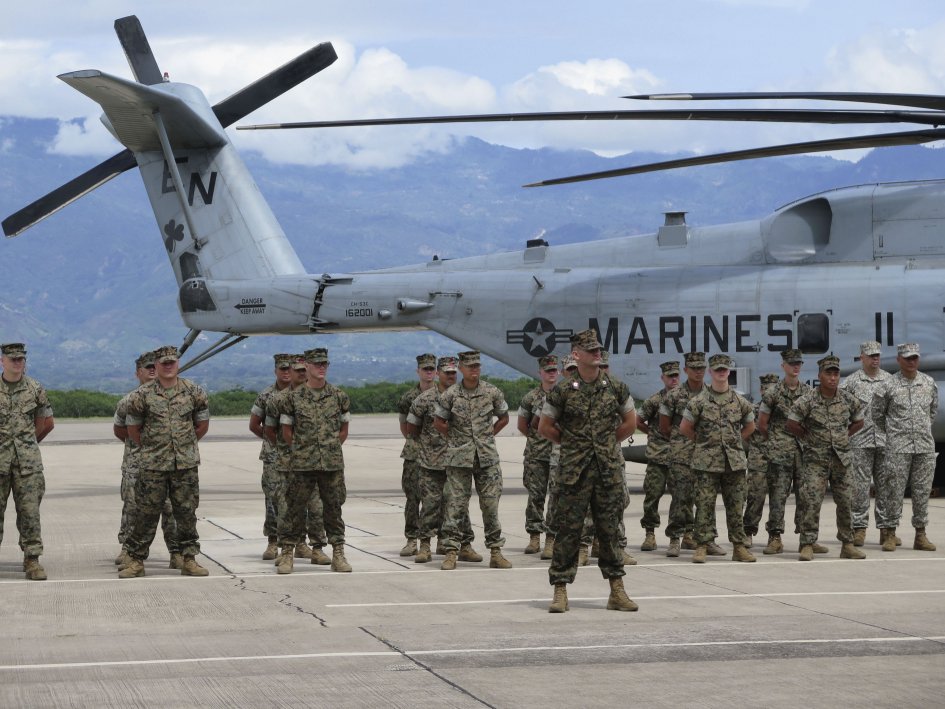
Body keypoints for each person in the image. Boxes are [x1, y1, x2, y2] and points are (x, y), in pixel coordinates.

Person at [539, 330, 638, 613]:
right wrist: (573, 445)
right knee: (568, 532)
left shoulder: (616, 387)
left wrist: (605, 444)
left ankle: (617, 591)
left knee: (609, 531)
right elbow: (545, 428)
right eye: (591, 350)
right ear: (576, 356)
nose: (597, 354)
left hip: (607, 471)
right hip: (573, 473)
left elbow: (630, 422)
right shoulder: (562, 390)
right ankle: (560, 591)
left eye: (598, 350)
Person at [120, 345, 210, 578]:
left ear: (177, 364)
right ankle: (137, 561)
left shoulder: (194, 392)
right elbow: (132, 429)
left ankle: (189, 559)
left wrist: (184, 446)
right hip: (153, 465)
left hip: (185, 465)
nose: (168, 366)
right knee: (145, 514)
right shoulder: (141, 396)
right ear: (157, 366)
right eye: (164, 363)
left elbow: (201, 425)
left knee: (187, 513)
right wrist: (153, 449)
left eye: (172, 362)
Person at [276, 347, 352, 573]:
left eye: (324, 364)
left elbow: (343, 430)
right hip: (302, 464)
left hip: (331, 464)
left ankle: (338, 553)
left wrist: (329, 448)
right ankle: (288, 553)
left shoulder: (339, 396)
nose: (321, 368)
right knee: (294, 509)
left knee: (333, 509)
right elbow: (286, 432)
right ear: (306, 366)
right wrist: (302, 449)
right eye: (317, 364)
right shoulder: (293, 398)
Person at [434, 350, 512, 570]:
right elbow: (439, 422)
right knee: (455, 506)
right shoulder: (451, 394)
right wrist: (456, 439)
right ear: (461, 368)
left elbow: (504, 417)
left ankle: (496, 552)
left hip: (487, 459)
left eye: (477, 366)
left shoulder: (491, 391)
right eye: (470, 366)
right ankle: (451, 552)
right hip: (459, 459)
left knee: (490, 506)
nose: (474, 370)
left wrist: (487, 436)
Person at [787, 355, 866, 561]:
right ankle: (807, 543)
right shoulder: (808, 400)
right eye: (828, 373)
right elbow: (791, 423)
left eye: (836, 374)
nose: (832, 378)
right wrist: (807, 436)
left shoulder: (847, 399)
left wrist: (844, 435)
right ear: (819, 375)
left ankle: (847, 544)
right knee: (811, 501)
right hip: (816, 460)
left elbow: (859, 421)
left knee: (846, 502)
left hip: (842, 460)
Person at [680, 354, 756, 564]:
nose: (721, 372)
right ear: (711, 372)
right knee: (704, 505)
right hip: (706, 462)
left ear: (728, 372)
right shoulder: (699, 401)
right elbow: (685, 428)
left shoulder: (740, 401)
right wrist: (702, 441)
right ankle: (702, 546)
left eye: (724, 369)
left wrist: (736, 442)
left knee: (735, 506)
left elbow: (750, 426)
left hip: (735, 462)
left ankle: (739, 547)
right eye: (717, 369)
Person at [406, 356, 477, 563]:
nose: (451, 376)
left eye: (454, 372)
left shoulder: (464, 397)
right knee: (430, 505)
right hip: (431, 463)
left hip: (457, 462)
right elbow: (412, 428)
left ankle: (465, 545)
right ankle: (425, 546)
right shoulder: (425, 399)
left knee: (459, 506)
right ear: (438, 374)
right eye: (447, 373)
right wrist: (428, 446)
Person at [113, 351, 180, 570]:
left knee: (171, 508)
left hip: (166, 463)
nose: (152, 370)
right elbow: (120, 430)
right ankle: (128, 549)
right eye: (147, 367)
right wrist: (140, 446)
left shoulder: (174, 396)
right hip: (136, 463)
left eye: (155, 366)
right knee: (133, 507)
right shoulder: (129, 401)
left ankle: (176, 552)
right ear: (138, 373)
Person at [265, 356, 330, 567]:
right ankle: (285, 549)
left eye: (304, 370)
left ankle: (316, 548)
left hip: (313, 463)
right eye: (297, 370)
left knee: (316, 507)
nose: (301, 374)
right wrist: (288, 450)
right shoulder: (278, 399)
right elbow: (268, 429)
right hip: (286, 463)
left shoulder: (324, 397)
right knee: (285, 507)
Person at [873, 343, 938, 553]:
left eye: (915, 358)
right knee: (894, 490)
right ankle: (890, 533)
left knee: (922, 491)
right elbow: (877, 415)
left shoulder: (928, 383)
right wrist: (895, 434)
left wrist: (920, 430)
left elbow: (932, 412)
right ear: (899, 359)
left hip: (924, 446)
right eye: (908, 358)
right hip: (898, 447)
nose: (912, 362)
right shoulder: (888, 385)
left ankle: (921, 534)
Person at [0, 342, 54, 581]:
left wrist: (27, 444)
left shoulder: (35, 389)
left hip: (28, 465)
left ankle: (32, 560)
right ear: (3, 361)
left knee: (30, 513)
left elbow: (45, 423)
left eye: (21, 359)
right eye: (12, 359)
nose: (17, 362)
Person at [659, 352, 722, 557]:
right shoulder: (674, 396)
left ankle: (707, 539)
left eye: (701, 368)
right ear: (685, 370)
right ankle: (675, 539)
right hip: (681, 455)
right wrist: (682, 441)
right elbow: (664, 426)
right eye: (694, 368)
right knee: (680, 497)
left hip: (706, 454)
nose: (698, 371)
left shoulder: (712, 394)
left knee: (706, 499)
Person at [758, 349, 813, 556]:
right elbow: (762, 424)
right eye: (791, 364)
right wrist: (774, 443)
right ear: (783, 366)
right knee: (778, 496)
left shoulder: (808, 393)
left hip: (803, 453)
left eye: (798, 363)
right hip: (780, 454)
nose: (795, 367)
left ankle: (807, 538)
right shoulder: (773, 393)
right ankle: (775, 537)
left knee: (805, 496)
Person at [840, 340, 893, 547]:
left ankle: (886, 531)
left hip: (885, 441)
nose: (875, 358)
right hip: (860, 442)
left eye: (877, 355)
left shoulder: (890, 381)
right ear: (861, 357)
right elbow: (842, 411)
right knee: (859, 488)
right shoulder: (851, 382)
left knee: (886, 487)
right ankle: (859, 529)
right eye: (871, 355)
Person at [249, 353, 294, 560]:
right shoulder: (266, 395)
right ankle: (273, 542)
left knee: (300, 500)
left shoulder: (301, 394)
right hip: (273, 457)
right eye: (282, 369)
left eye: (289, 369)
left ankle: (299, 542)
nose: (286, 372)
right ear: (275, 370)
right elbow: (254, 425)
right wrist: (272, 441)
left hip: (299, 456)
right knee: (273, 500)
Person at [635, 361, 680, 552]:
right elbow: (637, 420)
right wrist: (652, 433)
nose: (674, 379)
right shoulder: (655, 400)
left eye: (676, 375)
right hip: (657, 456)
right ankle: (650, 535)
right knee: (652, 496)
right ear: (663, 378)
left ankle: (675, 538)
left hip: (680, 456)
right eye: (670, 376)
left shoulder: (686, 399)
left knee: (680, 498)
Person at [517, 355, 560, 554]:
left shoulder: (564, 395)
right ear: (540, 373)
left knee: (556, 498)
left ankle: (551, 538)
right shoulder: (530, 397)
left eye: (554, 370)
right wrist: (537, 441)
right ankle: (534, 537)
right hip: (536, 455)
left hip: (559, 455)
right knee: (535, 496)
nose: (551, 373)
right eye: (547, 370)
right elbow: (522, 425)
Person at [396, 354, 437, 557]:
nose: (429, 372)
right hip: (414, 453)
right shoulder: (408, 398)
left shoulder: (444, 395)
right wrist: (416, 443)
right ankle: (412, 539)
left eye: (432, 369)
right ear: (418, 371)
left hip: (438, 454)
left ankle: (440, 539)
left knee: (440, 499)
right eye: (425, 369)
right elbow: (405, 427)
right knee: (412, 498)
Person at [743, 373, 779, 546]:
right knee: (755, 496)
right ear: (761, 390)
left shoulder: (783, 413)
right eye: (765, 389)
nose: (768, 393)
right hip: (759, 459)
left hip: (779, 459)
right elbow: (745, 433)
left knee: (778, 499)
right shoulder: (753, 410)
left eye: (772, 389)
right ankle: (748, 531)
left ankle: (774, 534)